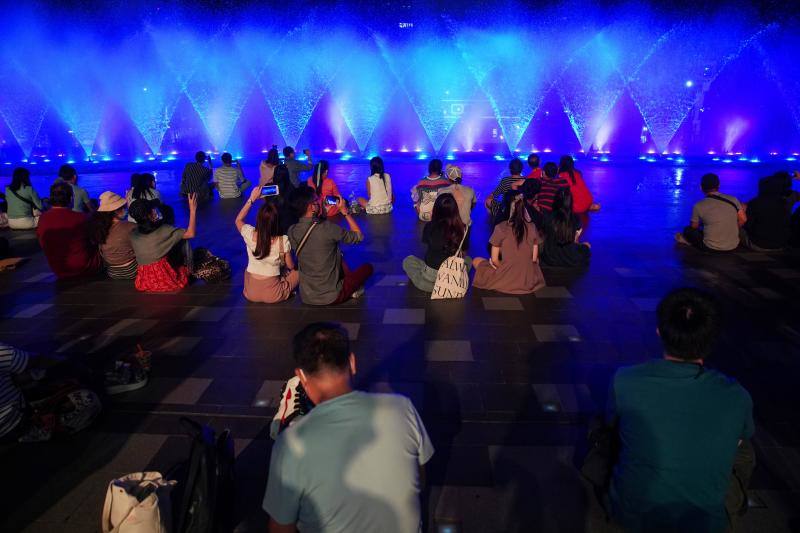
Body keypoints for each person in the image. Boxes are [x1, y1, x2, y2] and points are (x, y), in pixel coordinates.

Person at [607, 288, 754, 532]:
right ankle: (728, 504)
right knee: (745, 448)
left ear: (659, 332)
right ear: (712, 339)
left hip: (633, 514)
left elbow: (610, 425)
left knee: (614, 430)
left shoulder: (624, 380)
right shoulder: (737, 396)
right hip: (705, 521)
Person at [263, 322, 434, 533]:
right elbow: (421, 479)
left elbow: (281, 529)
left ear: (301, 376)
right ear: (352, 363)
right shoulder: (402, 408)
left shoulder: (291, 444)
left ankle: (291, 413)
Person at [287, 186, 373, 305]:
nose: (320, 202)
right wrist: (345, 212)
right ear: (311, 207)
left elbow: (313, 232)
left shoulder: (291, 231)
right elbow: (358, 236)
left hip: (307, 296)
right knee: (367, 268)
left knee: (338, 256)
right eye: (316, 200)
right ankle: (352, 290)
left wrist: (323, 214)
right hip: (332, 296)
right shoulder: (327, 228)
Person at [473, 191, 546, 294]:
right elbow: (534, 259)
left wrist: (505, 269)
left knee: (476, 261)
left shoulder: (501, 228)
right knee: (534, 265)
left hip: (505, 274)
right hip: (526, 278)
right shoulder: (532, 227)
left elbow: (494, 260)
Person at [236, 187, 299, 303]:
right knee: (298, 271)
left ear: (259, 219)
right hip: (273, 295)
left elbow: (238, 220)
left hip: (250, 292)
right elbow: (290, 266)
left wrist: (251, 199)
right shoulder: (282, 241)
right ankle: (285, 289)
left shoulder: (249, 234)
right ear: (277, 222)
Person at [129, 194, 197, 292]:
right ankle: (190, 267)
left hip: (145, 279)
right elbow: (191, 233)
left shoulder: (133, 234)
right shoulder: (164, 230)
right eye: (152, 209)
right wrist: (193, 210)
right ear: (150, 214)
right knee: (182, 239)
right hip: (163, 277)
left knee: (175, 237)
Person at [403, 193, 470, 293]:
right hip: (453, 274)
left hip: (431, 274)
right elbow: (464, 251)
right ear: (455, 210)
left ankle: (432, 286)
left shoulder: (430, 226)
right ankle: (448, 285)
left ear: (436, 209)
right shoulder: (464, 228)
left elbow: (427, 245)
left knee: (408, 261)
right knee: (468, 260)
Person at [36, 181, 101, 279]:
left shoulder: (42, 219)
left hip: (58, 269)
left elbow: (42, 243)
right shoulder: (81, 218)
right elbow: (95, 239)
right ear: (71, 199)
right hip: (83, 267)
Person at [676, 173, 746, 252]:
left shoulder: (699, 205)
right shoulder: (733, 199)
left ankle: (688, 243)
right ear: (718, 185)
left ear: (701, 187)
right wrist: (730, 229)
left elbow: (694, 227)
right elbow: (743, 220)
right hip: (733, 246)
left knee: (688, 230)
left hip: (711, 248)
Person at [742, 171, 800, 250]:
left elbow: (748, 225)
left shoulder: (756, 202)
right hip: (781, 243)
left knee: (738, 227)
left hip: (759, 244)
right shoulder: (786, 201)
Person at [88, 192, 137, 279]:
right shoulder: (130, 226)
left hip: (112, 272)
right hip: (133, 270)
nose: (126, 209)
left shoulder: (100, 228)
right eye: (124, 207)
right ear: (117, 211)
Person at [540, 188, 591, 267]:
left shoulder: (547, 217)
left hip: (550, 257)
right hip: (570, 258)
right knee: (587, 246)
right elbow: (575, 241)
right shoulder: (575, 219)